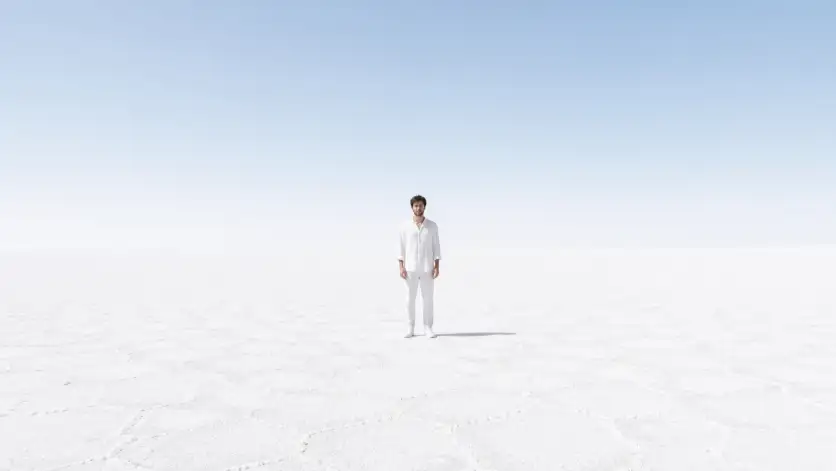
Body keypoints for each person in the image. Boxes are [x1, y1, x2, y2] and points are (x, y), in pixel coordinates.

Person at [397, 194, 441, 339]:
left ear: (424, 207)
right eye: (416, 206)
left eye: (420, 205)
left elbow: (436, 247)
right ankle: (410, 327)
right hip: (410, 268)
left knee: (428, 299)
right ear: (412, 207)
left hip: (427, 268)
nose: (418, 208)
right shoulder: (404, 227)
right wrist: (401, 267)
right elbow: (401, 247)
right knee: (410, 299)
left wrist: (436, 266)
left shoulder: (432, 226)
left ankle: (428, 327)